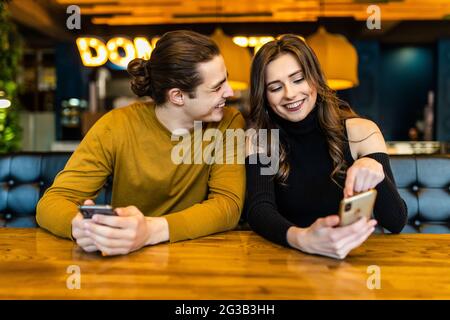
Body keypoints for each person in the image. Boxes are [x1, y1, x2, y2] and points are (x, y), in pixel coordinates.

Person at [37, 30, 246, 256]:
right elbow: (51, 203)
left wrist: (149, 231)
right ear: (177, 96)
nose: (230, 92)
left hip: (199, 257)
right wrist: (80, 227)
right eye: (217, 87)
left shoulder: (228, 122)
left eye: (226, 79)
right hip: (125, 262)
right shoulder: (116, 126)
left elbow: (228, 206)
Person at [245, 35, 407, 260]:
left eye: (298, 79)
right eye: (275, 87)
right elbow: (259, 209)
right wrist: (301, 239)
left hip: (352, 259)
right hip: (289, 258)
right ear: (264, 96)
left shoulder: (361, 132)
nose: (290, 94)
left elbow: (396, 221)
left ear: (314, 79)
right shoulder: (260, 139)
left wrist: (375, 171)